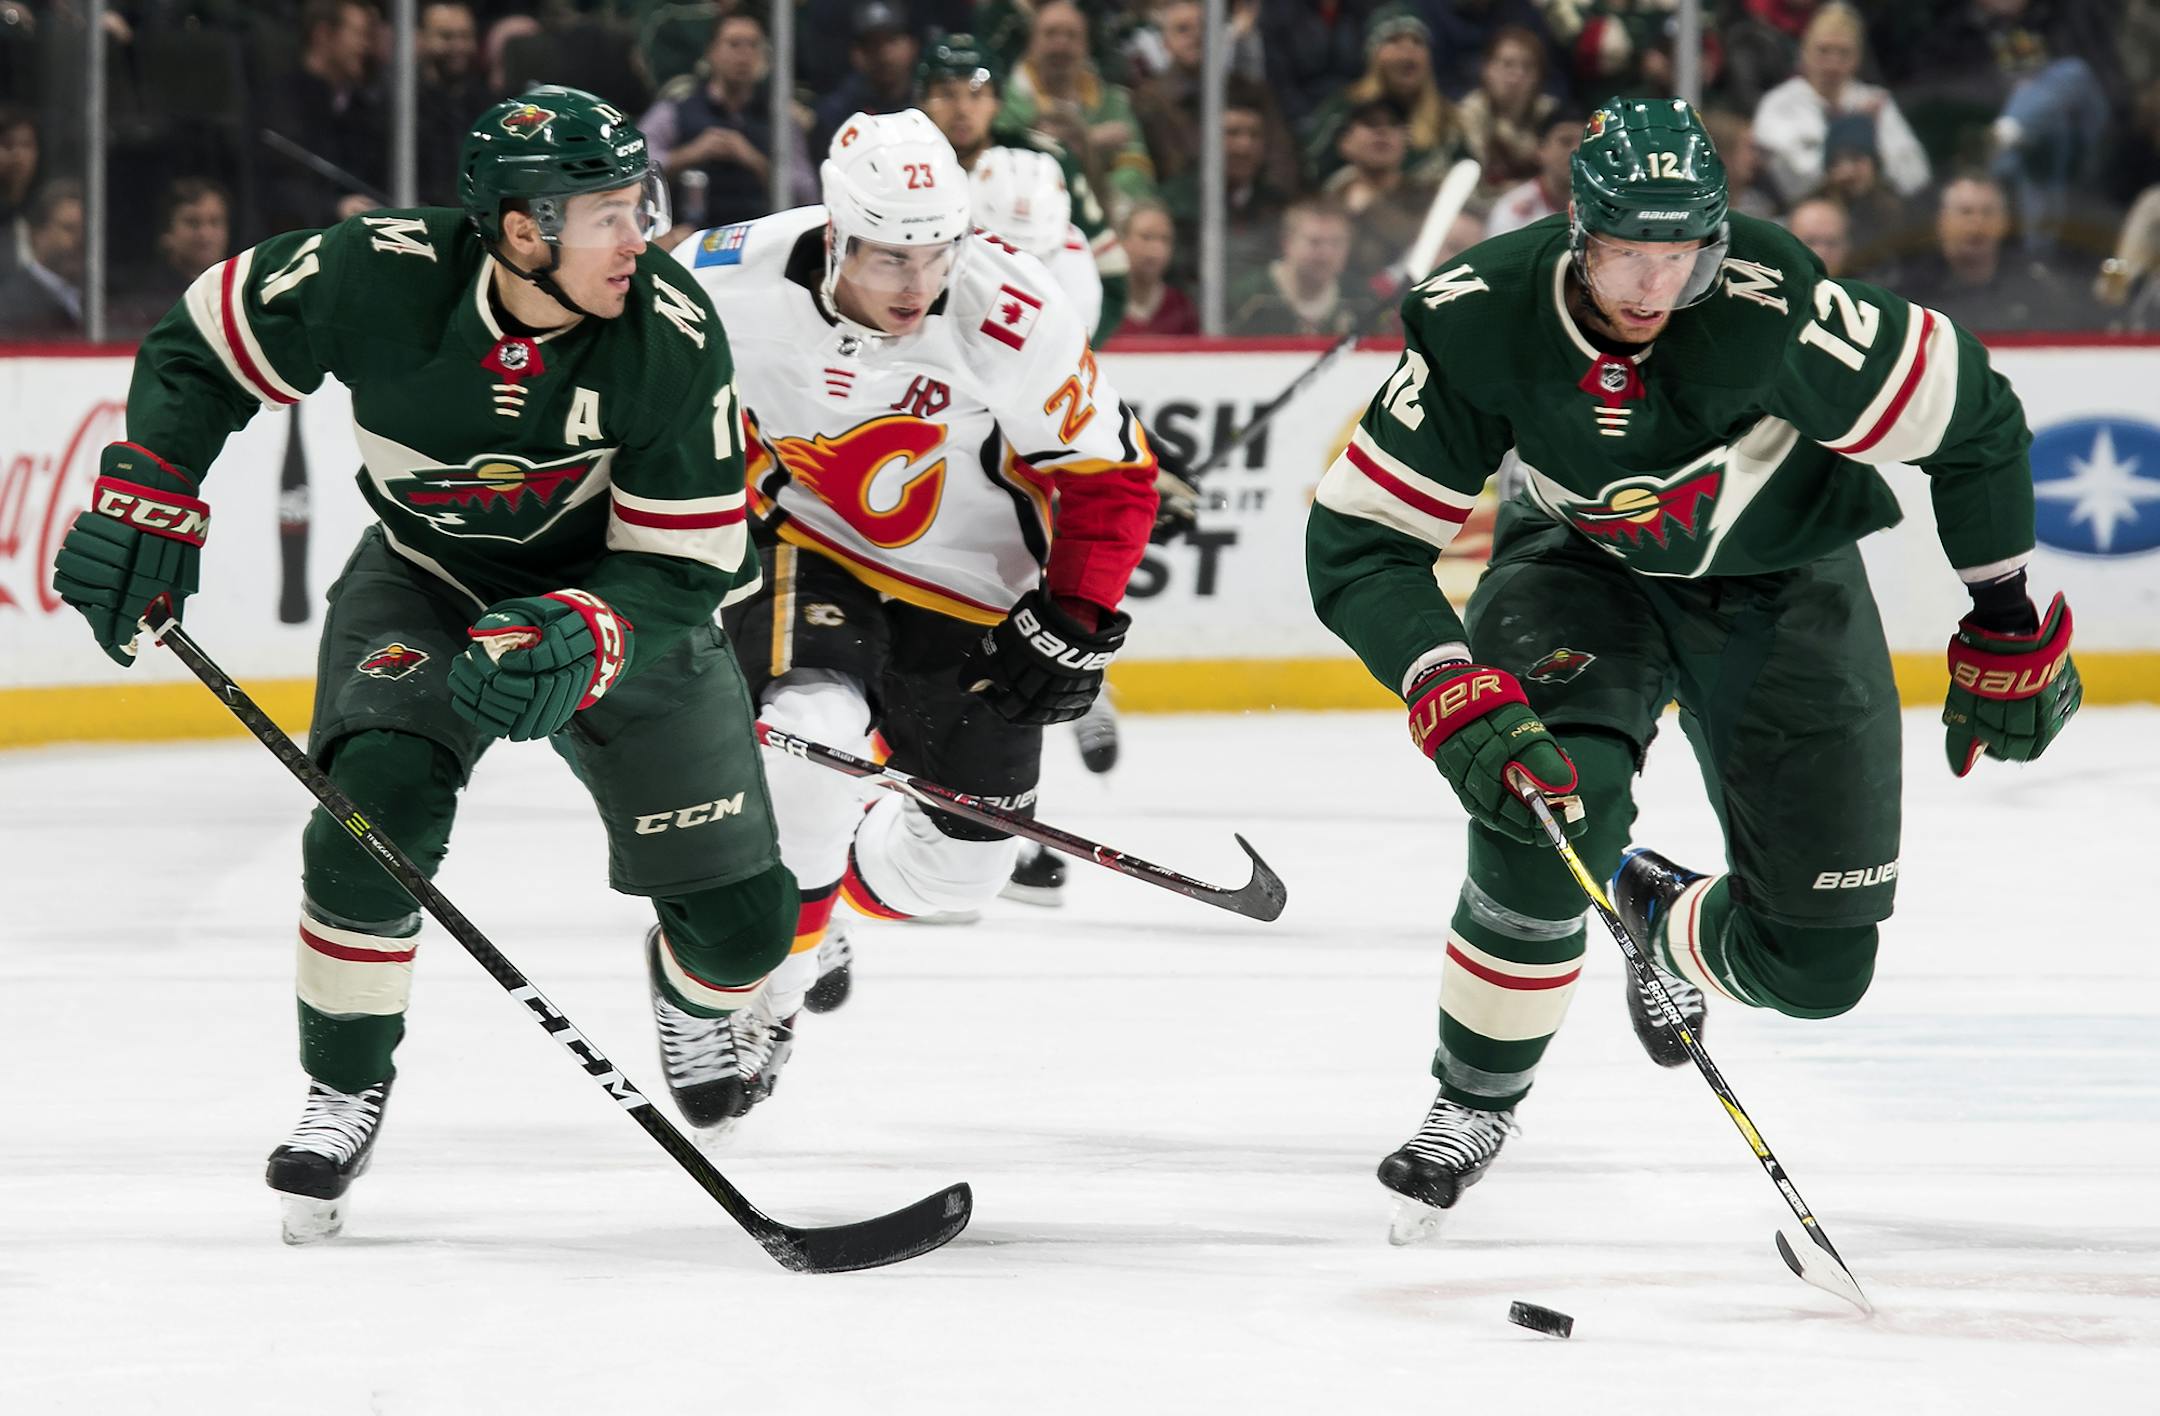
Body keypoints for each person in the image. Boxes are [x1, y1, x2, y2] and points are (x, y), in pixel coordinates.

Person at [1305, 99, 2083, 1234]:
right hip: (1579, 568)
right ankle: (1470, 1102)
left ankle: (1660, 918)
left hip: (1787, 582)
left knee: (1819, 968)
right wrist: (1438, 671)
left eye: (1681, 256)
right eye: (1627, 253)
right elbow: (1361, 539)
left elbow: (1977, 419)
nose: (1650, 288)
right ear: (1581, 233)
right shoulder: (1486, 319)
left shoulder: (1779, 313)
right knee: (1543, 798)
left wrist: (2004, 615)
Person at [49, 88, 796, 1243]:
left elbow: (688, 562)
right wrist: (153, 482)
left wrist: (590, 631)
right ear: (518, 227)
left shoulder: (670, 332)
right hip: (426, 580)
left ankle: (692, 992)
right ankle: (344, 1082)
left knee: (746, 930)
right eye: (605, 214)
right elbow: (206, 338)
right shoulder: (376, 270)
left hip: (613, 603)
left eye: (637, 206)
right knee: (371, 811)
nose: (637, 237)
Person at [670, 109, 1158, 1071]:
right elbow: (640, 392)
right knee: (810, 734)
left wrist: (1074, 619)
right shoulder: (723, 276)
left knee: (955, 881)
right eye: (892, 258)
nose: (920, 284)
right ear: (837, 233)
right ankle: (773, 989)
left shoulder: (1009, 312)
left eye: (939, 254)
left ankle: (810, 873)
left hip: (972, 589)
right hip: (808, 538)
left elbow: (1114, 479)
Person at [917, 32, 1129, 345]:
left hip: (1032, 345)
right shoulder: (902, 165)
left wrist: (1077, 353)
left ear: (997, 101)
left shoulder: (1044, 163)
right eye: (947, 94)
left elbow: (1109, 271)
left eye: (976, 94)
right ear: (922, 102)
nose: (962, 109)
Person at [0, 176, 83, 337]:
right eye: (69, 229)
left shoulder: (97, 295)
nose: (80, 239)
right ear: (36, 234)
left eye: (84, 229)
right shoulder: (10, 305)